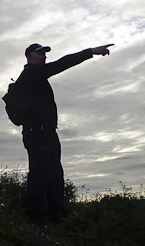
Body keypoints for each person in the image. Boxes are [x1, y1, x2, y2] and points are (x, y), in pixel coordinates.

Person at [16, 42, 114, 222]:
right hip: (37, 133)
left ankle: (58, 213)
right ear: (29, 56)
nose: (44, 56)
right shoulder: (31, 74)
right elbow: (62, 63)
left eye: (44, 54)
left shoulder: (37, 77)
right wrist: (90, 52)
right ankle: (35, 215)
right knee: (40, 172)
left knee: (55, 172)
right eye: (39, 53)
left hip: (48, 132)